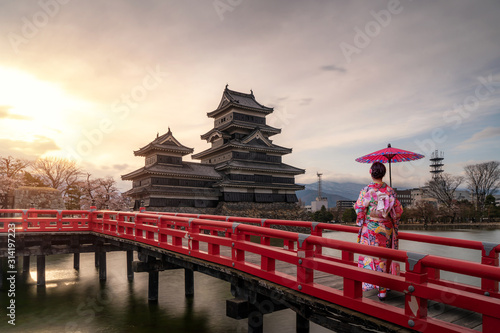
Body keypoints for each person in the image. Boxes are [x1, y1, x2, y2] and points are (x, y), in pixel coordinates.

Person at [354, 161, 403, 300]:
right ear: (384, 173)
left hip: (370, 228)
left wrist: (363, 218)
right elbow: (398, 212)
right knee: (385, 257)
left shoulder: (366, 190)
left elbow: (359, 208)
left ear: (370, 172)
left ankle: (372, 283)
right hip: (386, 228)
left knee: (371, 255)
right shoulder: (390, 191)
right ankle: (383, 289)